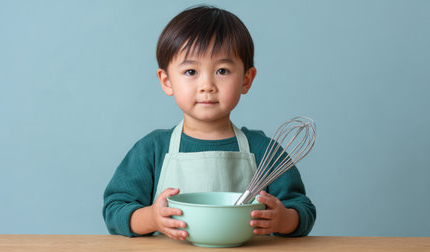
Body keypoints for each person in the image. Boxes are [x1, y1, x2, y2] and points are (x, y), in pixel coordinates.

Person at [103, 5, 316, 240]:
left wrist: (284, 219)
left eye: (222, 71)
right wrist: (152, 218)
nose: (207, 85)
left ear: (246, 80)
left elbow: (303, 210)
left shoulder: (266, 152)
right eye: (191, 71)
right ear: (166, 81)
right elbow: (115, 210)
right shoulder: (151, 150)